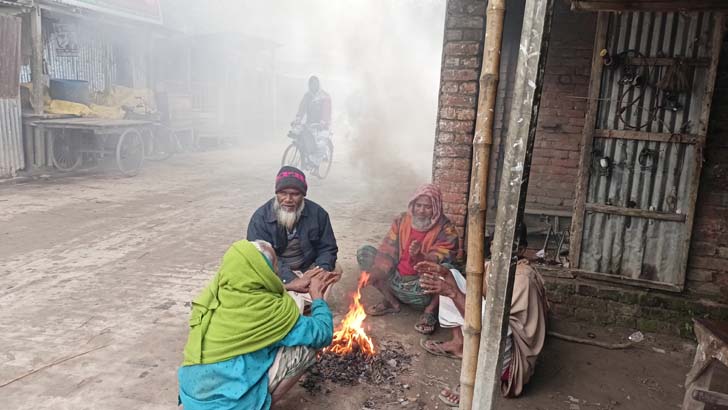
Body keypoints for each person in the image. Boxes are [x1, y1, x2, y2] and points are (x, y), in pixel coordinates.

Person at [178, 239, 337, 410]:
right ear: (266, 273)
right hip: (232, 405)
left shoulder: (214, 294)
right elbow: (323, 333)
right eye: (275, 268)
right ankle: (259, 405)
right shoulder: (271, 310)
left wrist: (290, 286)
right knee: (305, 347)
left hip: (193, 397)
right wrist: (317, 297)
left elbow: (250, 289)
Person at [417, 224, 548, 404]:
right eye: (497, 243)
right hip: (492, 322)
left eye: (509, 245)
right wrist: (446, 275)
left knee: (495, 323)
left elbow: (493, 326)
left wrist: (452, 292)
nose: (500, 249)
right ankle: (458, 344)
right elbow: (475, 299)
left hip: (511, 351)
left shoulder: (522, 278)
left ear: (522, 249)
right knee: (451, 275)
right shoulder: (492, 266)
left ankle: (479, 380)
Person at [358, 183, 459, 335]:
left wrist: (421, 256)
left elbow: (443, 257)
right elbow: (387, 248)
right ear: (412, 204)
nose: (421, 210)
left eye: (427, 207)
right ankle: (392, 302)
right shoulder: (401, 220)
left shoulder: (446, 228)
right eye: (418, 205)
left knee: (449, 270)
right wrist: (377, 271)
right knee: (365, 253)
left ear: (436, 207)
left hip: (421, 290)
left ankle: (429, 312)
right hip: (396, 280)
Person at [247, 166, 340, 305]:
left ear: (303, 195)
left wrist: (319, 272)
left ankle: (310, 301)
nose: (288, 199)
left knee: (336, 269)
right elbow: (260, 256)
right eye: (283, 193)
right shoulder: (260, 218)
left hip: (307, 267)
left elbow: (328, 248)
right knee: (256, 280)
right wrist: (291, 279)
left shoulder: (318, 214)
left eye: (295, 194)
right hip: (277, 271)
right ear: (276, 193)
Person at [294, 75, 332, 171]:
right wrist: (298, 118)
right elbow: (302, 108)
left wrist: (323, 122)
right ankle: (305, 161)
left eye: (315, 84)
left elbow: (326, 111)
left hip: (322, 126)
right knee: (301, 138)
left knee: (321, 145)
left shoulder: (325, 96)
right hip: (309, 124)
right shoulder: (307, 96)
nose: (312, 86)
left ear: (318, 84)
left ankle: (314, 163)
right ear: (309, 85)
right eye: (311, 84)